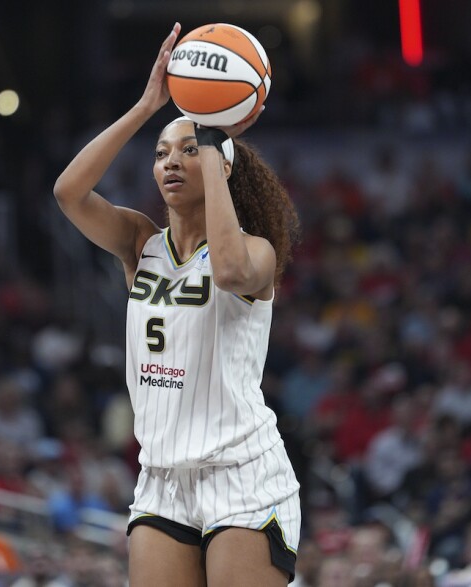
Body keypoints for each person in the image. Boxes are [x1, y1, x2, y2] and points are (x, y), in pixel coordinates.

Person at [53, 22, 302, 586]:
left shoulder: (254, 253)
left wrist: (213, 138)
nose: (170, 161)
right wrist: (146, 107)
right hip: (162, 476)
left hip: (242, 473)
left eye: (188, 151)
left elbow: (232, 270)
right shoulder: (141, 241)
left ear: (220, 163)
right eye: (161, 152)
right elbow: (69, 193)